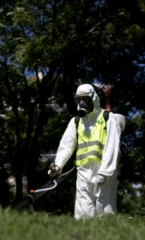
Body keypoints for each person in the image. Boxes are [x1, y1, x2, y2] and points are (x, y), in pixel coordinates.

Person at [49, 83, 125, 219]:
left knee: (105, 210)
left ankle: (108, 239)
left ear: (93, 98)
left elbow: (111, 147)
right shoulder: (76, 122)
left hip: (104, 171)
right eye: (79, 99)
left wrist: (104, 172)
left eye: (86, 99)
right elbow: (66, 145)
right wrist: (58, 165)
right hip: (83, 171)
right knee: (83, 211)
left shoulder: (107, 118)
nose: (82, 103)